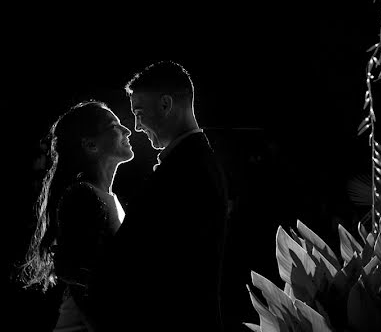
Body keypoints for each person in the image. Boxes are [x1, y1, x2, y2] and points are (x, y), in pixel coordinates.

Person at [90, 61, 229, 331]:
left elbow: (144, 261)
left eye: (139, 113)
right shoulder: (193, 163)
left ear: (166, 105)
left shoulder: (186, 172)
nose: (137, 126)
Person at [16, 101, 134, 332]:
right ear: (91, 144)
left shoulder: (108, 197)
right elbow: (76, 277)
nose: (127, 130)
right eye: (114, 126)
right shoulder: (82, 195)